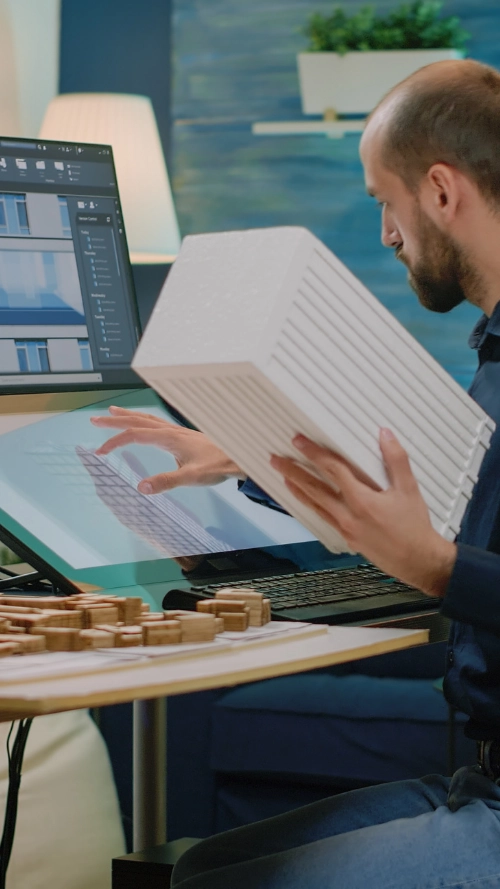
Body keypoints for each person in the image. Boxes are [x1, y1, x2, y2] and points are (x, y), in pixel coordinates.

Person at [92, 58, 500, 888]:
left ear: (441, 190)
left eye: (386, 202)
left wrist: (434, 565)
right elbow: (463, 511)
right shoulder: (491, 356)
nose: (388, 233)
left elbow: (449, 549)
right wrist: (250, 453)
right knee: (194, 866)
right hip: (480, 775)